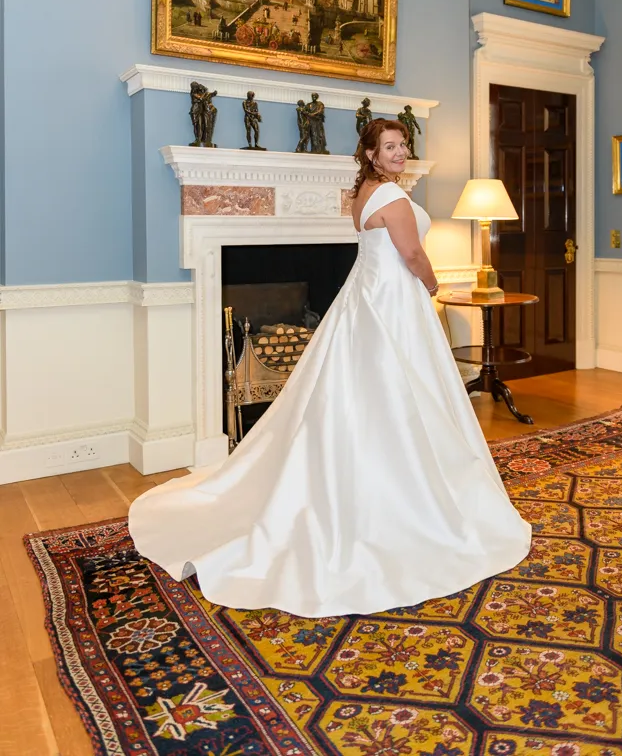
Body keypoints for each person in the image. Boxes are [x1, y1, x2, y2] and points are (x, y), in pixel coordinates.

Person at [128, 119, 531, 617]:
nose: (400, 152)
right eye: (390, 146)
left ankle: (362, 471)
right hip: (392, 304)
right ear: (371, 153)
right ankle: (405, 488)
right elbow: (411, 253)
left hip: (365, 299)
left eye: (404, 144)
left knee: (363, 392)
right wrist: (432, 286)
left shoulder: (362, 194)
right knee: (398, 391)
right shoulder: (393, 196)